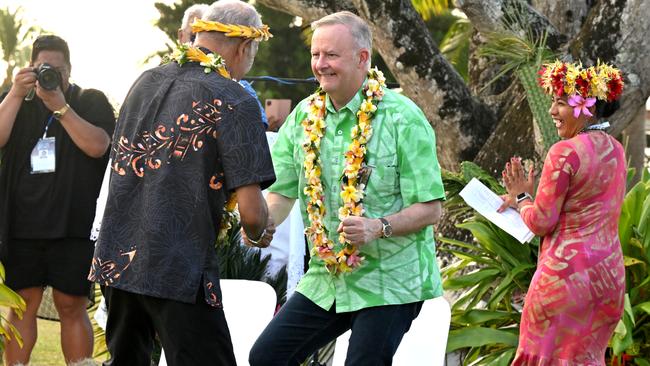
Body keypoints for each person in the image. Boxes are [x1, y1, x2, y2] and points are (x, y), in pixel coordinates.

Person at [249, 11, 446, 366]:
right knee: (267, 356)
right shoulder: (304, 117)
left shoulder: (403, 117)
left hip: (391, 281)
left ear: (362, 58)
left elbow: (431, 208)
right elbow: (282, 191)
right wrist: (264, 223)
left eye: (331, 55)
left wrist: (376, 227)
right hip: (328, 276)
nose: (320, 64)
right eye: (315, 55)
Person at [88, 1, 275, 365]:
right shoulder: (234, 98)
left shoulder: (145, 81)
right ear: (244, 46)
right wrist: (256, 230)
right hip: (179, 266)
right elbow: (252, 213)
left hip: (117, 259)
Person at [499, 60, 626, 365]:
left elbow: (541, 221)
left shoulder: (565, 152)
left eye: (560, 104)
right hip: (608, 280)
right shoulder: (616, 150)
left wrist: (522, 196)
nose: (552, 112)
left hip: (566, 282)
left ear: (587, 107)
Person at [0, 35, 115, 365]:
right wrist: (16, 91)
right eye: (42, 68)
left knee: (71, 304)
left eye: (58, 69)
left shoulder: (90, 100)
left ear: (70, 69)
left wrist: (60, 107)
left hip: (73, 224)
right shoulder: (16, 100)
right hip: (21, 224)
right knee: (22, 303)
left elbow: (98, 146)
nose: (51, 75)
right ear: (30, 67)